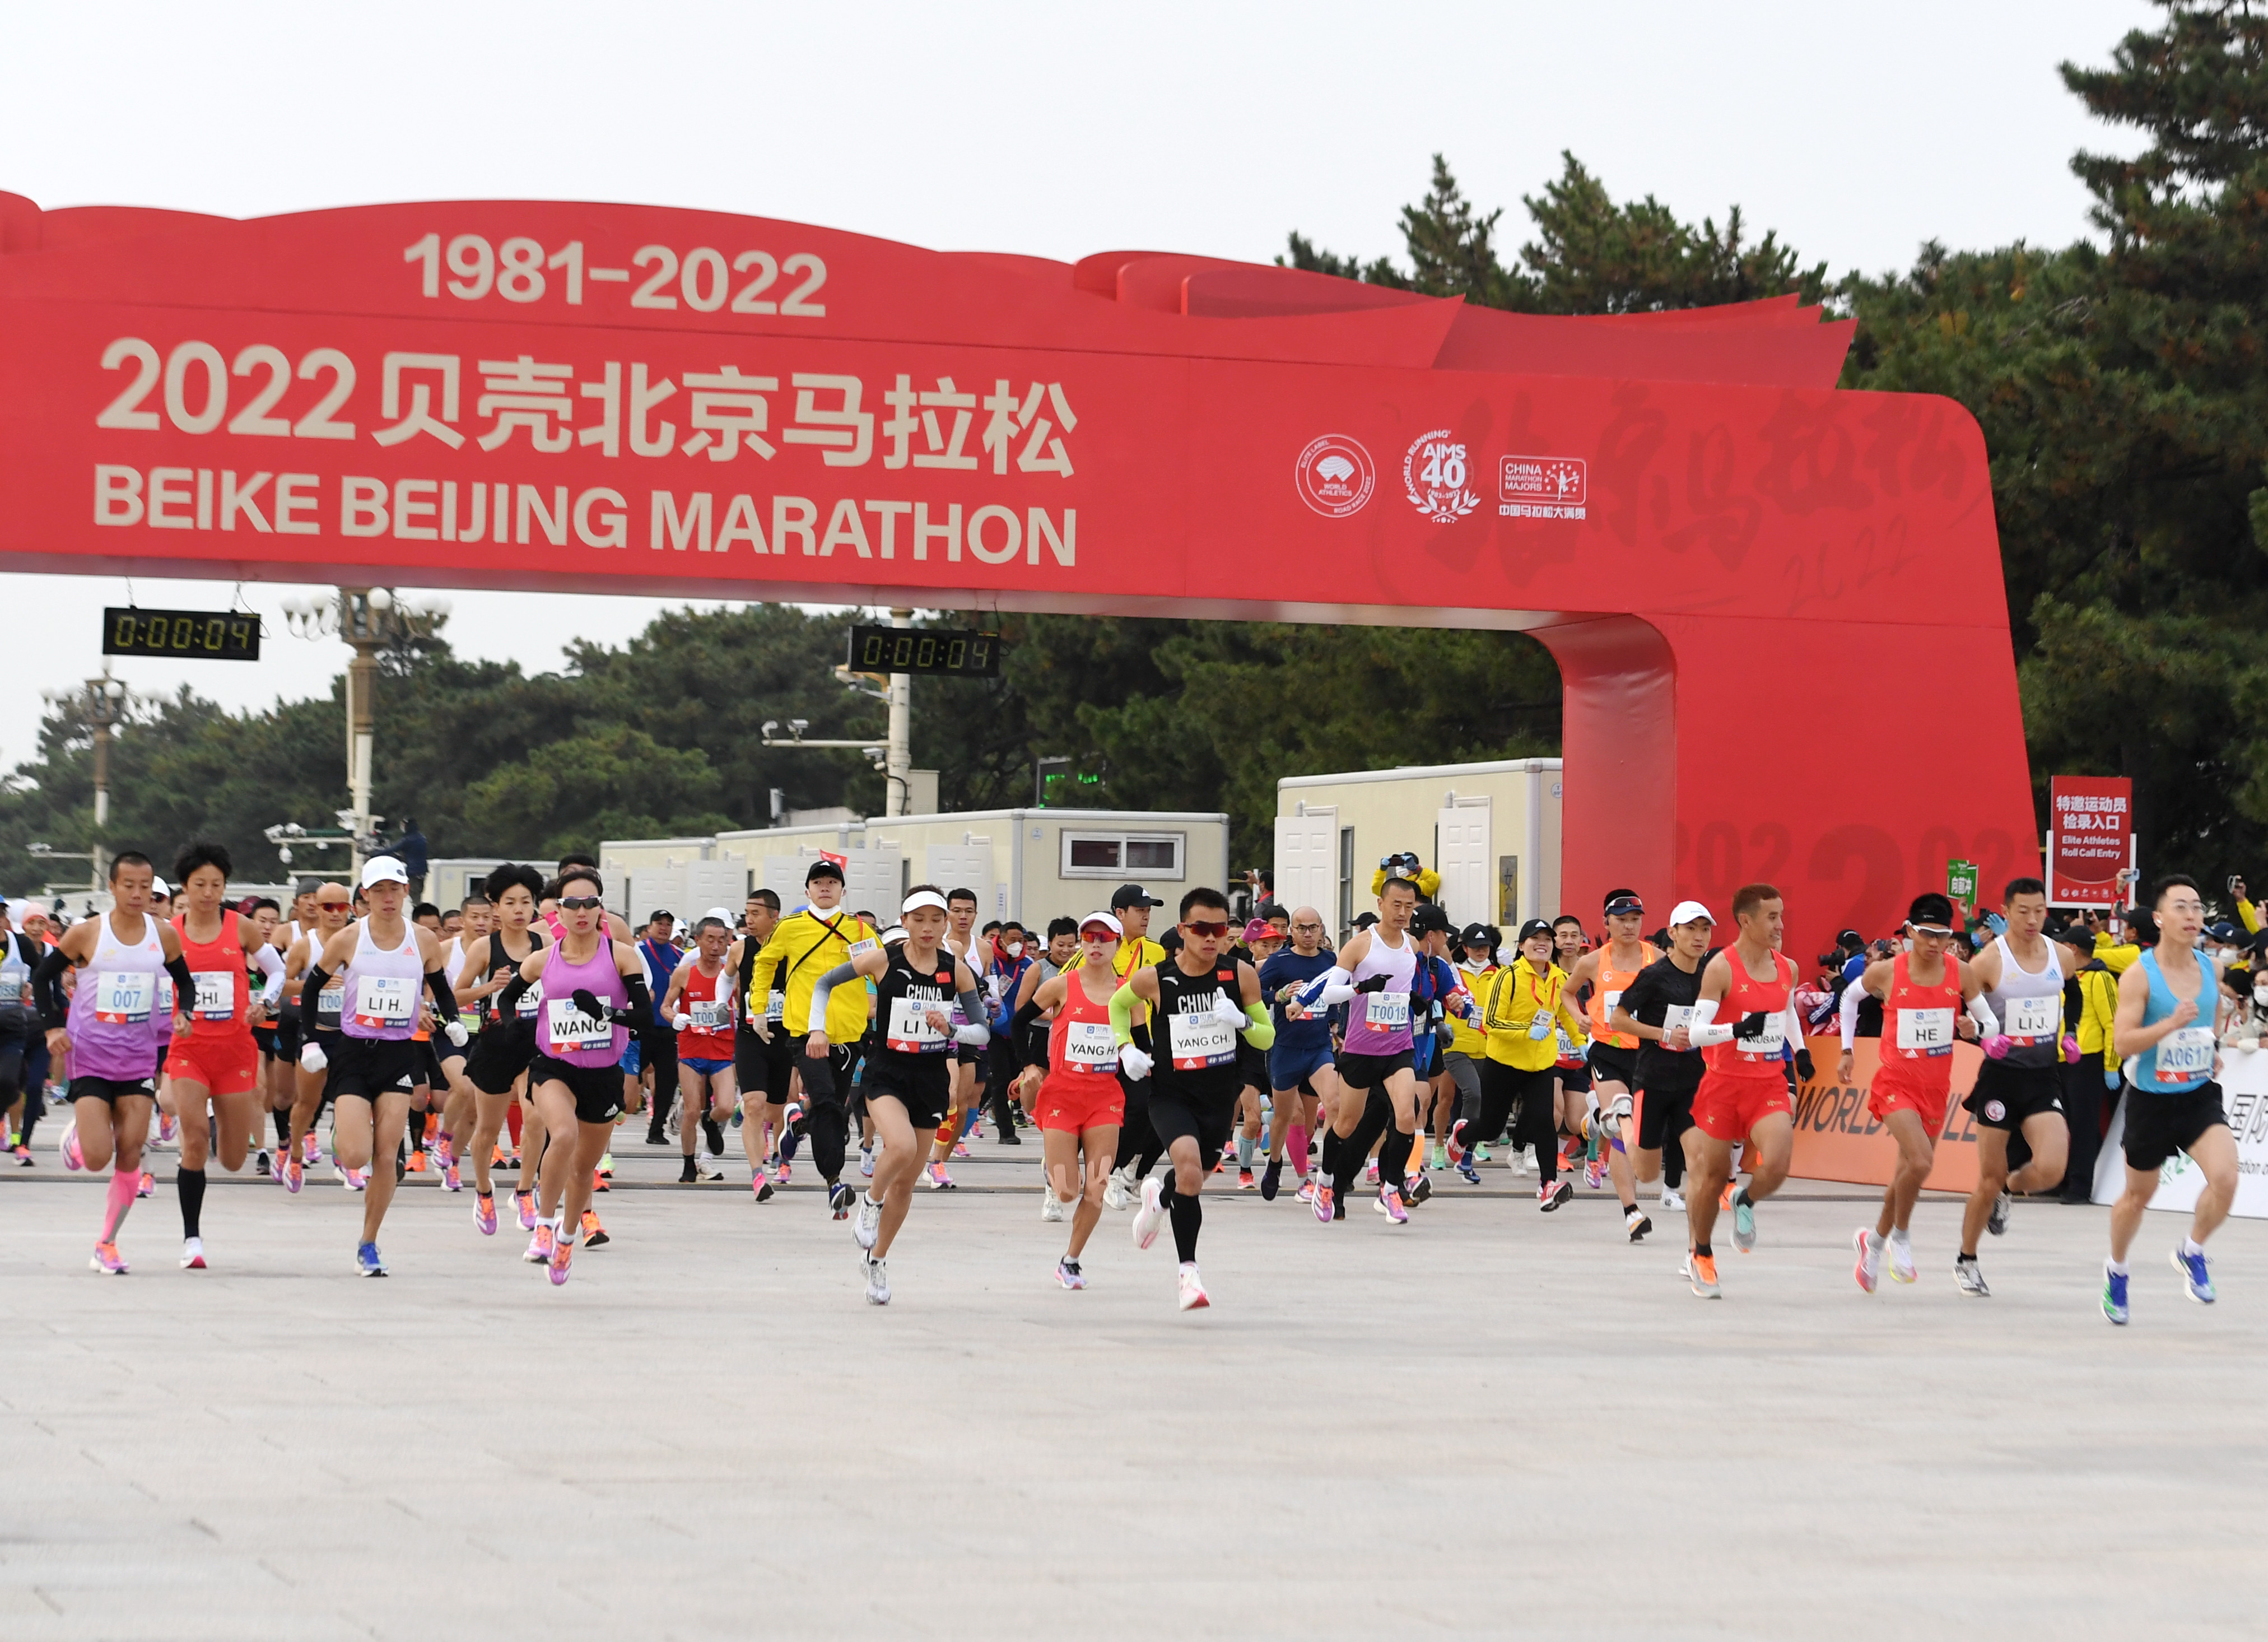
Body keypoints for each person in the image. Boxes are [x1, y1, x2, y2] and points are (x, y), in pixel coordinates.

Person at [805, 887, 989, 1303]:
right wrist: (818, 1027)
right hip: (886, 1072)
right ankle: (870, 1202)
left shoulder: (956, 970)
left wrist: (952, 1030)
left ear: (946, 924)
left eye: (935, 919)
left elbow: (982, 1031)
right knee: (901, 1146)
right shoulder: (882, 959)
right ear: (903, 921)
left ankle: (877, 1260)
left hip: (930, 1077)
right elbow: (824, 984)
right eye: (918, 918)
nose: (927, 927)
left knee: (906, 1184)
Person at [296, 857, 465, 1274]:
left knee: (388, 1154)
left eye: (394, 889)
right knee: (356, 1157)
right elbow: (312, 989)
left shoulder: (423, 939)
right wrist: (311, 1040)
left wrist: (454, 1022)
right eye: (378, 891)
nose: (387, 898)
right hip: (354, 1051)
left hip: (398, 1053)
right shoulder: (349, 939)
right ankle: (343, 1130)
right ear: (365, 897)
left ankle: (369, 1242)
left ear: (407, 892)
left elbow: (441, 989)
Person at [32, 852, 195, 1274]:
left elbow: (185, 982)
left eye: (145, 886)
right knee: (98, 1157)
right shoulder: (88, 933)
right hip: (90, 1057)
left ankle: (107, 1242)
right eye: (129, 885)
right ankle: (79, 1137)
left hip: (139, 1060)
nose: (138, 893)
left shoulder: (164, 935)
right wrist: (53, 1027)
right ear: (113, 886)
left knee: (129, 1151)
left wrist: (185, 1013)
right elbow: (43, 976)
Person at [491, 864, 653, 1286]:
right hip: (554, 1066)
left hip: (602, 1073)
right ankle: (544, 1226)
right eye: (572, 904)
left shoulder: (620, 955)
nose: (581, 911)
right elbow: (508, 998)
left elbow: (644, 1015)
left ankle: (566, 1237)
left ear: (601, 908)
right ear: (557, 911)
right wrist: (513, 1026)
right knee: (561, 1134)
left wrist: (603, 1012)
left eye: (590, 903)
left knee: (584, 1169)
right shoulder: (544, 958)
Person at [1112, 887, 1273, 1309]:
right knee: (1187, 1167)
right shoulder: (1156, 976)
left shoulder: (1240, 974)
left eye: (1219, 929)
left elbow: (1267, 1035)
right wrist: (1125, 1047)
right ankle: (1189, 1273)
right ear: (1183, 929)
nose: (1211, 937)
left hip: (1219, 1097)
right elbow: (1117, 1003)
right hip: (1170, 1093)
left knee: (1191, 1179)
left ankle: (1157, 1198)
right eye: (1201, 928)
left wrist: (1241, 1020)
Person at [2102, 874, 2241, 1325]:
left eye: (2197, 907)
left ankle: (2191, 1249)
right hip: (2151, 1100)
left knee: (2225, 1176)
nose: (2191, 915)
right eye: (2180, 907)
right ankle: (2116, 1271)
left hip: (2198, 1094)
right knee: (2137, 1197)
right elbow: (2123, 1043)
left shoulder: (2210, 968)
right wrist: (2167, 1025)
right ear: (2158, 918)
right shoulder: (2139, 975)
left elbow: (2211, 1018)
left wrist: (2211, 1051)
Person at [1950, 877, 2093, 1295]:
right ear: (2005, 911)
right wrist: (1980, 1035)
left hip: (2043, 1074)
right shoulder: (1988, 962)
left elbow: (2073, 994)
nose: (2032, 919)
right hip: (1999, 1079)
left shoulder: (2060, 954)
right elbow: (1962, 1016)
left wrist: (2070, 1033)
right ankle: (1967, 1258)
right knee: (1987, 1176)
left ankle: (2009, 1191)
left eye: (2039, 911)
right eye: (2023, 911)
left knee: (2051, 1168)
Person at [1841, 893, 1986, 1292]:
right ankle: (1901, 1238)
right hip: (1894, 1082)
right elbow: (1848, 998)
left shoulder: (1962, 973)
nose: (1934, 943)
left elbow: (1988, 1020)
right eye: (1925, 934)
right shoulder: (1886, 972)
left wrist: (1976, 1028)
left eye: (1942, 935)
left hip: (1936, 1087)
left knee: (1906, 1174)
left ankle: (1872, 1242)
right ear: (1908, 932)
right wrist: (1846, 1049)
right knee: (1921, 1162)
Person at [1678, 882, 1813, 1300]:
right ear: (1746, 920)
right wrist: (1736, 1029)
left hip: (1768, 1082)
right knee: (1713, 1174)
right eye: (1771, 917)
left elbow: (1786, 1009)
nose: (1780, 925)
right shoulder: (1721, 967)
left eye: (1781, 915)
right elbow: (1696, 1034)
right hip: (1723, 1084)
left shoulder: (1786, 967)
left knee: (1777, 1164)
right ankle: (1701, 1253)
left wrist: (1801, 1049)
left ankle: (1745, 1200)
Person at [161, 841, 286, 1269]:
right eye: (200, 884)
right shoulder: (169, 933)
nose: (209, 892)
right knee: (193, 1139)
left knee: (232, 1159)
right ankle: (191, 1239)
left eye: (217, 884)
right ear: (185, 886)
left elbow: (278, 972)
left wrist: (264, 1004)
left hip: (235, 1051)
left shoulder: (242, 928)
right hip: (189, 1051)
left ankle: (220, 1123)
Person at [749, 859, 878, 1221]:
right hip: (805, 1032)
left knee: (834, 1107)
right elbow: (764, 962)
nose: (825, 887)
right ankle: (835, 1182)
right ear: (807, 890)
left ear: (843, 890)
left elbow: (883, 968)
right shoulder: (790, 927)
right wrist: (759, 1009)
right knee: (824, 1099)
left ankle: (798, 1124)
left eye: (832, 882)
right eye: (818, 882)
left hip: (850, 1034)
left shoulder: (858, 929)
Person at [1303, 876, 1428, 1225]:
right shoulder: (1359, 945)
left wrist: (1413, 1000)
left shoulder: (1413, 946)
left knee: (1406, 1115)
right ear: (1382, 905)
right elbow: (1329, 995)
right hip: (1360, 1049)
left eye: (1409, 906)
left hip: (1397, 1046)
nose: (1403, 912)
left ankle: (1391, 1188)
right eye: (1396, 905)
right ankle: (1326, 1182)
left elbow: (1401, 986)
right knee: (1346, 1123)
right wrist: (1361, 988)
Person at [1013, 912, 1129, 1286]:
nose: (1096, 944)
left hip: (1105, 1097)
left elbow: (1142, 1045)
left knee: (1096, 1186)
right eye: (1089, 937)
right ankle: (1053, 1166)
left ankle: (1071, 1259)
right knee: (1066, 1191)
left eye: (1104, 937)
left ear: (1117, 943)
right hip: (1063, 1092)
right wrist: (1029, 1065)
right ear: (1081, 941)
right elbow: (1019, 1021)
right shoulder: (1062, 985)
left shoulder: (1128, 994)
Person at [1461, 918, 1587, 1210]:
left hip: (1541, 1063)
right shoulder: (1508, 977)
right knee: (1491, 1127)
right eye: (1534, 939)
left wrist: (1579, 1040)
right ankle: (1462, 1136)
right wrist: (1525, 1031)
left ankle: (1548, 1185)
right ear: (1521, 946)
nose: (1541, 943)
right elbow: (1490, 1021)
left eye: (1547, 939)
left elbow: (1566, 1014)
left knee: (1545, 1121)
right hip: (1505, 1061)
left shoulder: (1558, 977)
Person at [456, 864, 549, 1235]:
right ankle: (483, 1190)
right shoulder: (485, 947)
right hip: (494, 1044)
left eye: (526, 901)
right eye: (510, 902)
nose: (519, 909)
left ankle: (525, 1190)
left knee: (536, 1117)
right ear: (496, 905)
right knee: (487, 1130)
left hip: (535, 1044)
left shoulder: (545, 946)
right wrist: (487, 987)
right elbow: (455, 994)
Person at [1609, 901, 1715, 1213]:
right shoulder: (1654, 975)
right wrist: (1665, 1035)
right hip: (1653, 1080)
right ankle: (1622, 1122)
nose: (1699, 937)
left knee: (1699, 1159)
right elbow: (1618, 1019)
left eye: (1705, 929)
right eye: (1691, 929)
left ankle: (1698, 1242)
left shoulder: (1711, 976)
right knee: (1647, 1173)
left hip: (1692, 1083)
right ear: (1673, 933)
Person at [1563, 889, 1654, 1240]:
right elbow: (1568, 993)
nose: (1630, 926)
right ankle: (1631, 1211)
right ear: (1607, 923)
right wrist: (1580, 1018)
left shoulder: (1657, 959)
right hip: (1608, 1052)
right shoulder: (1593, 961)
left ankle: (1593, 1120)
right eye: (1621, 920)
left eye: (1635, 920)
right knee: (1621, 1115)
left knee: (1631, 1133)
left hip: (1647, 1054)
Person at [662, 910, 755, 1194]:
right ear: (698, 941)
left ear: (729, 943)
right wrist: (674, 1017)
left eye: (722, 941)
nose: (716, 947)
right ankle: (689, 1163)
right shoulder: (684, 973)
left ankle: (710, 1121)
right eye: (710, 940)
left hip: (723, 1050)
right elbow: (666, 1006)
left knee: (726, 1107)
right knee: (690, 1109)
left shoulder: (732, 975)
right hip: (691, 1050)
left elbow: (746, 1006)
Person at [1258, 905, 1339, 1202]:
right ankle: (1275, 1164)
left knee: (1334, 1105)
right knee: (1286, 1116)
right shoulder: (1279, 961)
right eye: (1301, 928)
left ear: (1321, 929)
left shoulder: (1331, 960)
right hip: (1286, 1049)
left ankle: (1325, 1176)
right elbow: (1254, 994)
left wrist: (1334, 1021)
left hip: (1319, 1048)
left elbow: (1332, 994)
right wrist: (1279, 996)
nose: (1307, 934)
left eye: (1313, 928)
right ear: (1290, 931)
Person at [1102, 883, 1169, 1208]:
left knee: (1149, 1108)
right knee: (1105, 1114)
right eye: (1140, 911)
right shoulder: (1098, 945)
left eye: (1148, 911)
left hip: (1143, 1044)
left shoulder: (1155, 953)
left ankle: (1122, 1173)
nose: (1146, 917)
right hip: (1101, 1042)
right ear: (1120, 913)